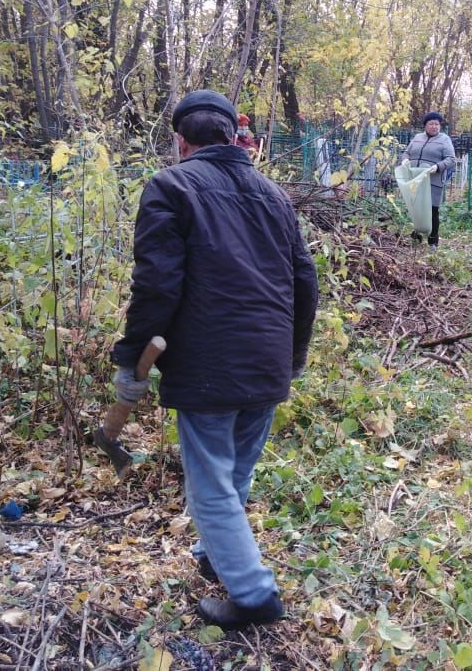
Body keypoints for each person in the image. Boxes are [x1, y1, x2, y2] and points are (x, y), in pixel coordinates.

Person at [112, 89, 319, 630]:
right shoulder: (274, 194)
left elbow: (156, 284)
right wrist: (293, 355)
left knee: (209, 486)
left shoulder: (170, 186)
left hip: (208, 365)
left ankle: (253, 597)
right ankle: (214, 555)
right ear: (233, 136)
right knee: (237, 471)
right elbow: (304, 280)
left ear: (181, 142)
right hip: (268, 358)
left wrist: (131, 356)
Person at [401, 111, 456, 246]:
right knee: (416, 208)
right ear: (425, 125)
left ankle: (433, 242)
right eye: (431, 124)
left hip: (433, 181)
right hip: (415, 179)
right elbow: (407, 152)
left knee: (432, 211)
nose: (434, 127)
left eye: (437, 124)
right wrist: (405, 159)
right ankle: (416, 236)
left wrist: (437, 167)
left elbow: (451, 159)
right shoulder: (418, 137)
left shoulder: (444, 140)